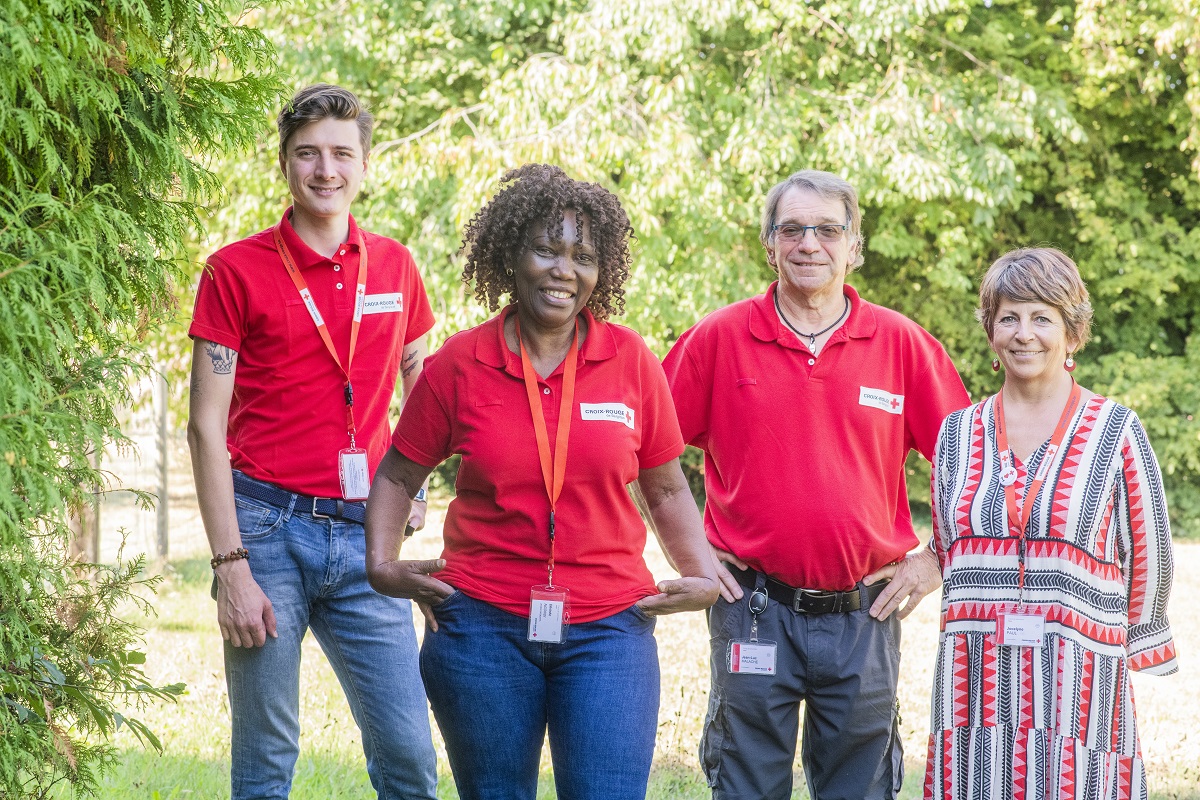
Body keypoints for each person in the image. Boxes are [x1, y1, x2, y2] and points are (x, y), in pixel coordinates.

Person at [364, 163, 720, 800]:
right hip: (480, 625)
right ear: (511, 255)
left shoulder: (632, 359)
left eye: (583, 256)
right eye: (546, 249)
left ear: (601, 271)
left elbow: (665, 488)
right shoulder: (459, 364)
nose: (564, 269)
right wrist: (381, 565)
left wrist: (699, 576)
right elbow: (396, 473)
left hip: (610, 626)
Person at [662, 169, 971, 800]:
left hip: (865, 611)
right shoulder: (718, 340)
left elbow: (970, 458)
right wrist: (691, 554)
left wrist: (936, 560)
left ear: (854, 246)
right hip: (751, 606)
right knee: (746, 787)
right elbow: (646, 455)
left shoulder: (901, 344)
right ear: (769, 244)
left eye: (829, 230)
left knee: (858, 789)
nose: (810, 243)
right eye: (792, 229)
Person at [186, 84, 438, 799]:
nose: (324, 169)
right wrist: (231, 567)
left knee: (409, 754)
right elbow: (206, 427)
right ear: (284, 165)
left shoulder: (395, 265)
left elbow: (421, 368)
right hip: (266, 533)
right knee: (266, 760)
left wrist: (410, 480)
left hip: (367, 537)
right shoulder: (234, 270)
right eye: (307, 154)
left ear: (364, 163)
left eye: (340, 153)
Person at [923, 247, 1177, 800]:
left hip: (1077, 674)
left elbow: (1149, 542)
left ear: (1072, 332)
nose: (1024, 333)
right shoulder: (957, 434)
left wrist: (1139, 637)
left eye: (1042, 317)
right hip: (975, 677)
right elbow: (944, 543)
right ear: (991, 330)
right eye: (1008, 317)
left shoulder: (1115, 430)